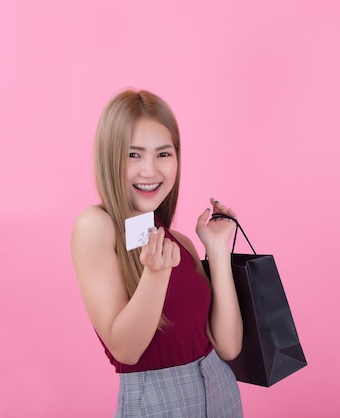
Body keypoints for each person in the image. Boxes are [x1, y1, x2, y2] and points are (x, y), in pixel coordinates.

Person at [71, 89, 244, 417]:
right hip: (158, 402)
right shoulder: (96, 225)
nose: (150, 171)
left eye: (163, 154)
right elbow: (126, 351)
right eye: (133, 155)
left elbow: (229, 346)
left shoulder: (179, 242)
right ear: (110, 156)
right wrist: (155, 275)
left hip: (222, 392)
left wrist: (218, 251)